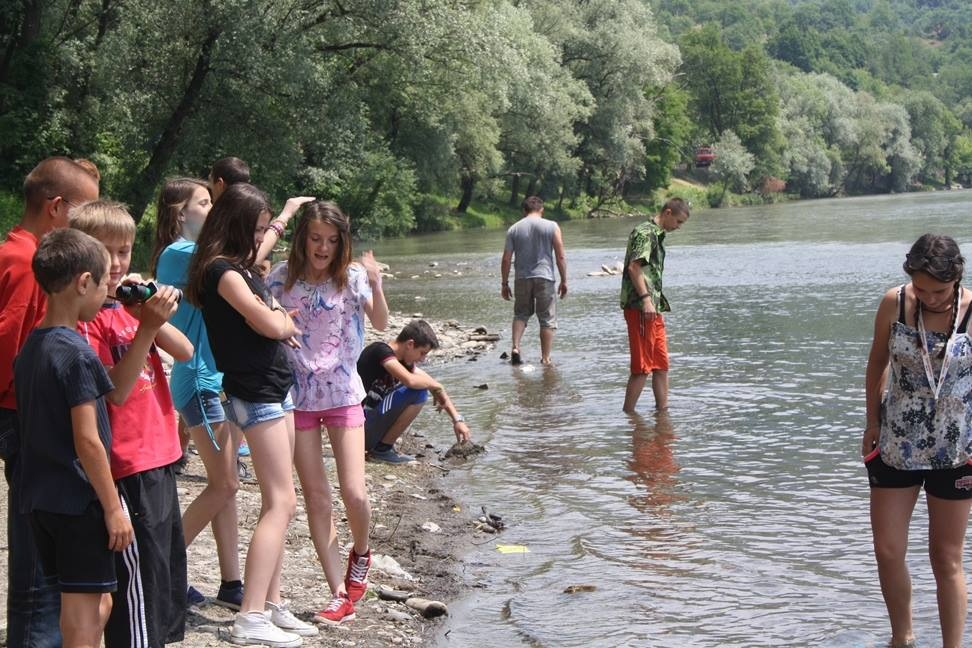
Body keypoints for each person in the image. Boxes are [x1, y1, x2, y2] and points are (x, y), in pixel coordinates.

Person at [186, 183, 317, 646]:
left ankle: (271, 603)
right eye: (258, 229)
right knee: (283, 502)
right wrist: (278, 320)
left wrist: (277, 315)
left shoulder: (239, 267)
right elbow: (268, 321)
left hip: (275, 387)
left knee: (276, 501)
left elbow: (272, 313)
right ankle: (250, 616)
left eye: (265, 229)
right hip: (255, 391)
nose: (263, 237)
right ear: (238, 225)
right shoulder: (221, 272)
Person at [70, 201, 193, 647]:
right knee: (138, 592)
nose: (118, 263)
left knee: (162, 582)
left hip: (160, 456)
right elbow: (116, 392)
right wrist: (145, 330)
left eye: (124, 251)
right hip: (127, 463)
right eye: (107, 253)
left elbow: (184, 351)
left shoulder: (127, 307)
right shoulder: (88, 321)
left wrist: (147, 312)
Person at [267, 200, 388, 624]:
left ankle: (362, 553)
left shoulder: (352, 277)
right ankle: (339, 592)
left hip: (343, 394)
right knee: (317, 498)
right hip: (297, 398)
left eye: (332, 241)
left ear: (342, 243)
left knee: (355, 493)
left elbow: (381, 322)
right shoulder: (280, 278)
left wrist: (376, 283)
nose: (322, 248)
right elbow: (255, 313)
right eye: (316, 239)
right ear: (303, 238)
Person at [14, 228, 134, 648]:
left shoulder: (31, 348)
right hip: (78, 502)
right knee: (84, 617)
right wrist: (113, 508)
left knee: (95, 604)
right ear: (84, 282)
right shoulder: (77, 354)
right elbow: (88, 441)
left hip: (41, 500)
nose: (105, 294)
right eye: (102, 285)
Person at [0, 156, 99, 647]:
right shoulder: (24, 261)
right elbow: (8, 344)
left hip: (27, 414)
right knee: (37, 555)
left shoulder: (20, 253)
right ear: (56, 207)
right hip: (24, 416)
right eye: (82, 212)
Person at [863, 234, 972, 648]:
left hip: (957, 449)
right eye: (921, 289)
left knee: (946, 557)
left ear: (956, 277)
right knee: (888, 550)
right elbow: (878, 360)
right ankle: (902, 638)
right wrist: (872, 421)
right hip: (896, 444)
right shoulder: (894, 302)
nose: (929, 298)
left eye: (938, 291)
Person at [152, 177, 245, 609]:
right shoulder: (181, 253)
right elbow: (238, 265)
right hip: (198, 382)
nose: (212, 209)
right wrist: (279, 221)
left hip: (213, 381)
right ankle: (160, 571)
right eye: (204, 203)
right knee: (225, 483)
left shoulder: (196, 254)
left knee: (224, 484)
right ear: (179, 213)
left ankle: (231, 583)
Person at [358, 320, 472, 464]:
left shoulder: (404, 363)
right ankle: (382, 450)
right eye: (422, 353)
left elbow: (435, 385)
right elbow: (410, 381)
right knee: (418, 392)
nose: (423, 359)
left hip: (367, 429)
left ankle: (382, 447)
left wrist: (457, 420)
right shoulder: (380, 351)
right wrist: (433, 386)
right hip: (357, 428)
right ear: (410, 344)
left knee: (421, 387)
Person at [620, 197, 689, 413]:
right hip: (641, 308)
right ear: (667, 213)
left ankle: (663, 415)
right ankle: (629, 418)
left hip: (654, 308)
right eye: (678, 221)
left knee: (661, 364)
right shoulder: (645, 233)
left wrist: (653, 303)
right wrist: (646, 300)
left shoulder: (656, 235)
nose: (678, 227)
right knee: (642, 367)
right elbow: (634, 268)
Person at [500, 196, 567, 365]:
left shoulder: (514, 229)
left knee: (520, 314)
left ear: (524, 211)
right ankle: (545, 358)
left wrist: (504, 283)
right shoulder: (552, 226)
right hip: (545, 277)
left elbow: (506, 259)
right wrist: (564, 280)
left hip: (522, 278)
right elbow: (560, 256)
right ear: (542, 210)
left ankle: (516, 347)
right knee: (547, 319)